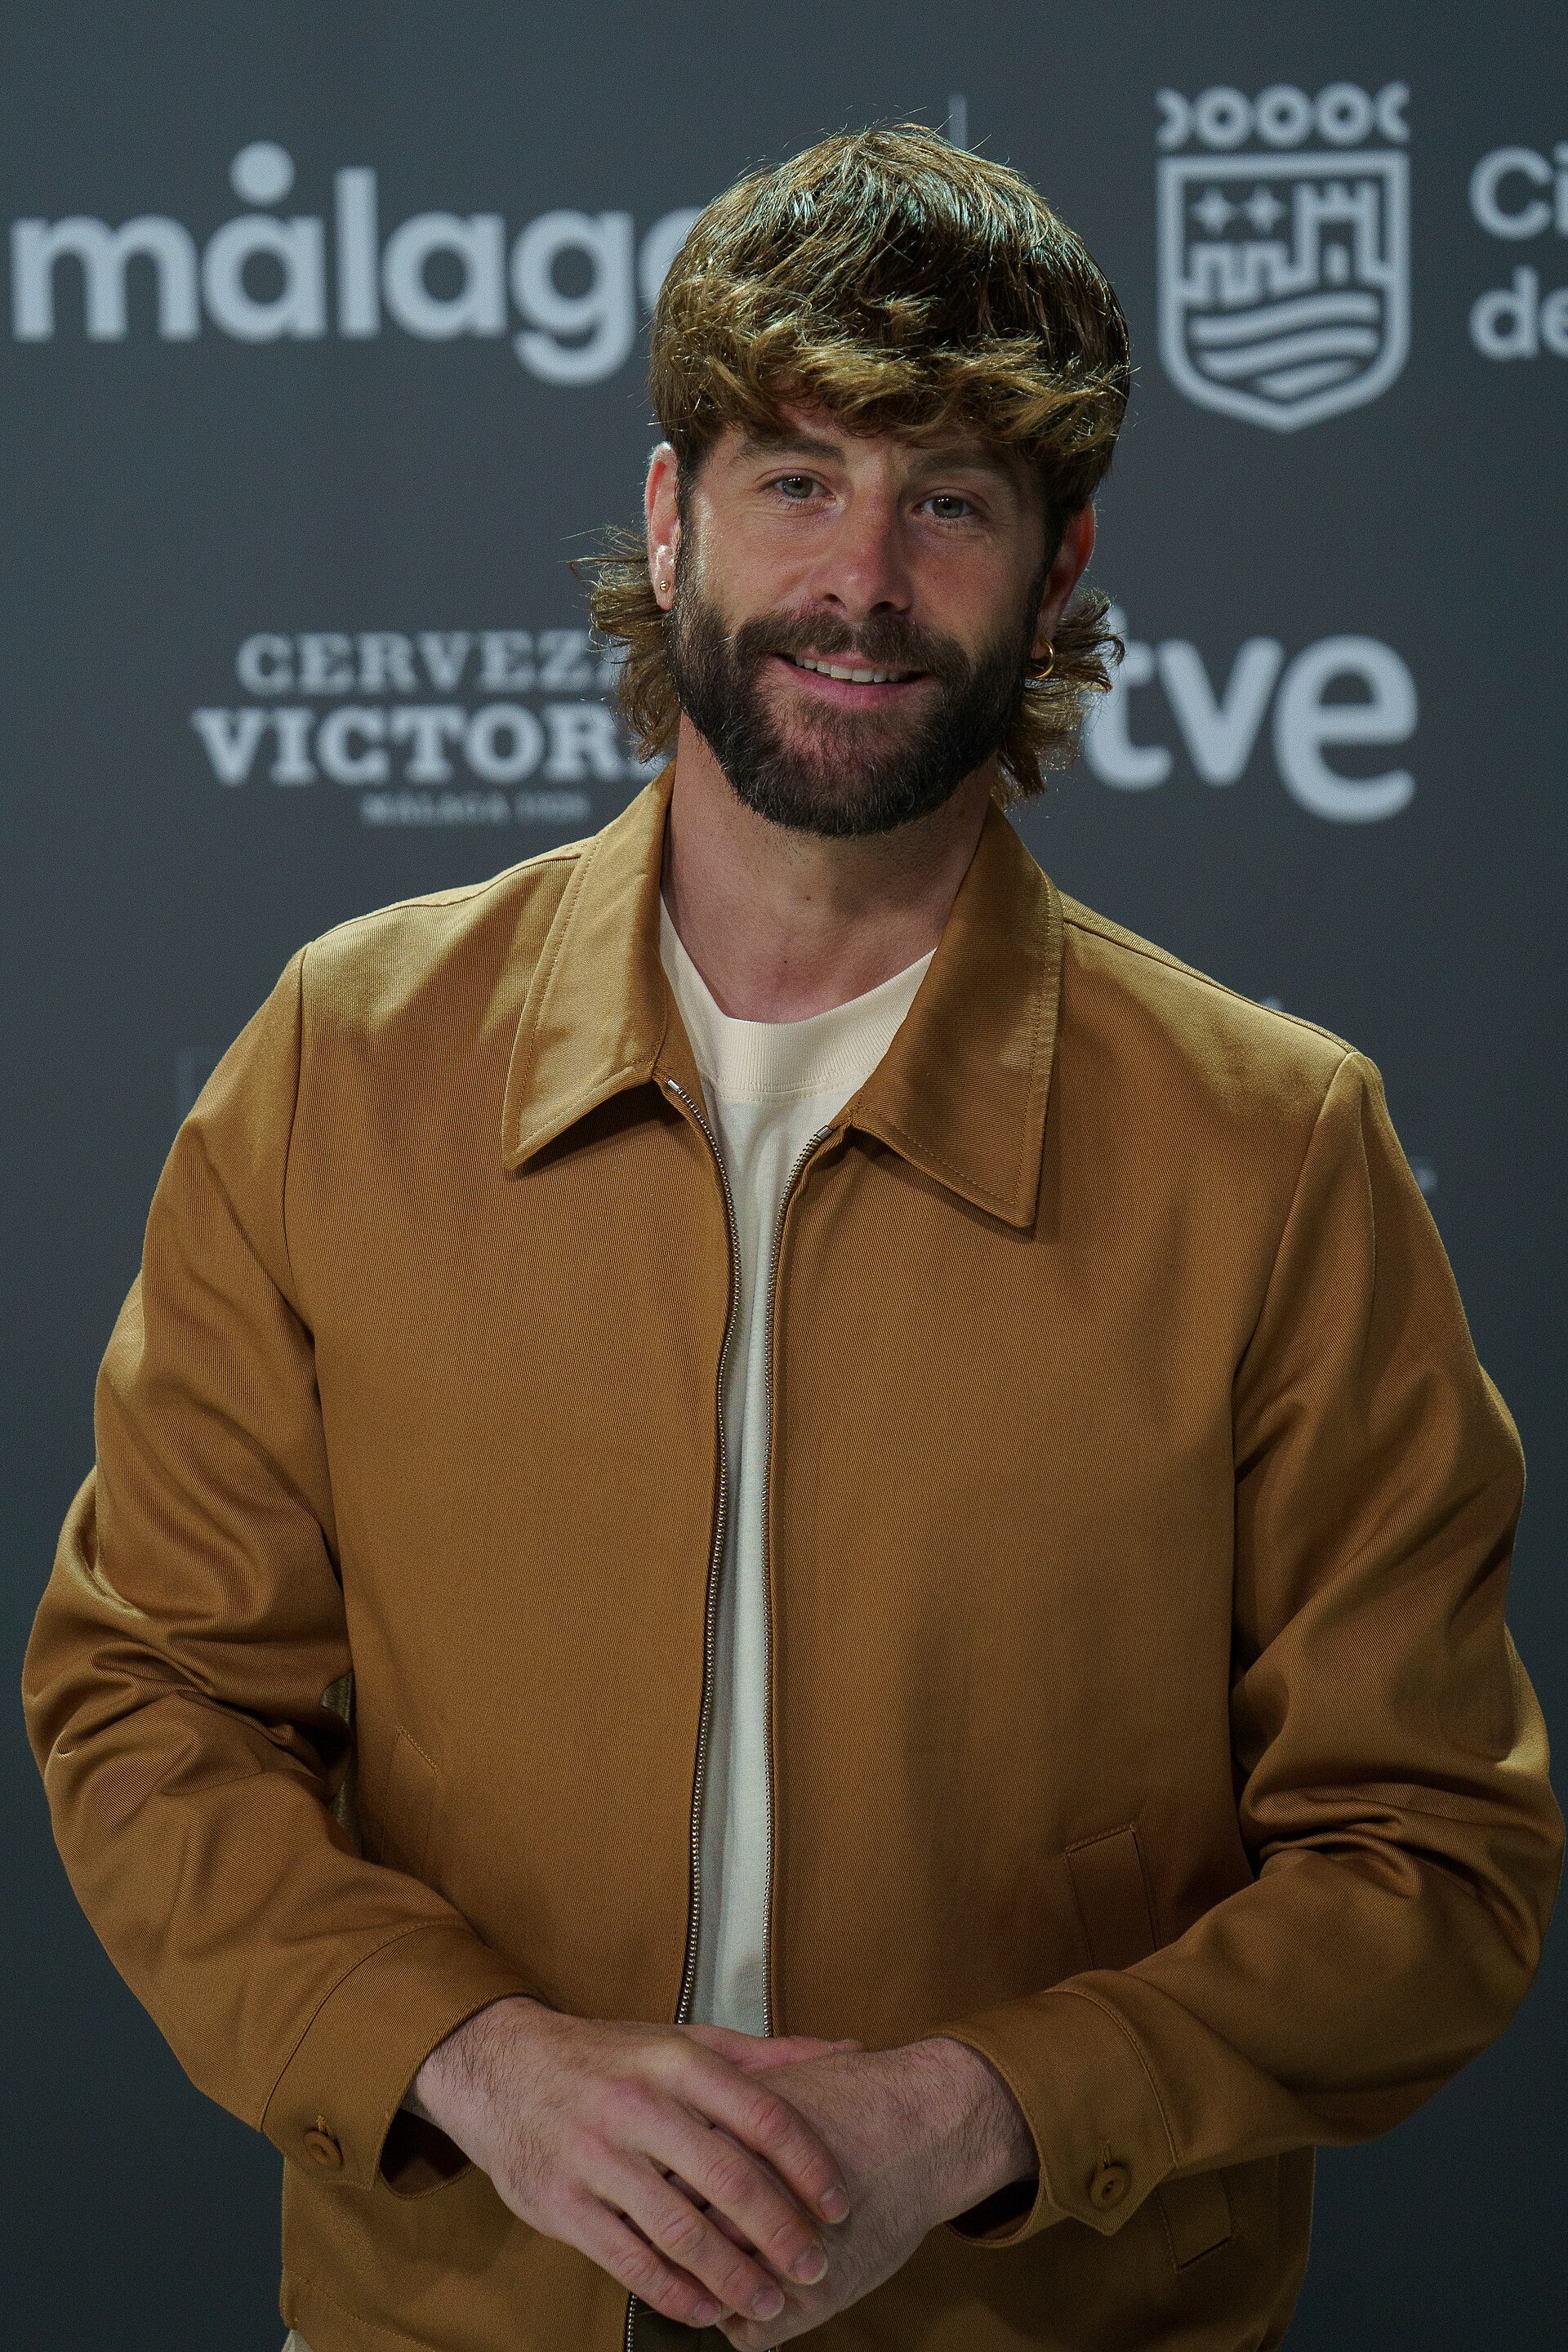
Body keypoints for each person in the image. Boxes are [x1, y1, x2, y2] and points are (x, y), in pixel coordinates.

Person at [23, 127, 1560, 2352]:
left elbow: (1433, 1862)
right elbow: (149, 1699)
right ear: (669, 523)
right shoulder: (346, 1062)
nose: (863, 579)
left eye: (950, 503)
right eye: (797, 482)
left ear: (1057, 571)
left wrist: (977, 2116)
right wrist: (477, 2066)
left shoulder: (1277, 1153)